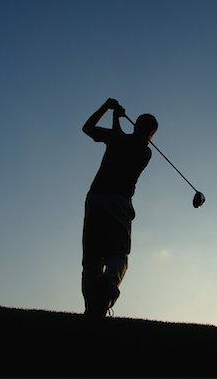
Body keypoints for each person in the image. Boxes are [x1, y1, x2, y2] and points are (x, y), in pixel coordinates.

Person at [81, 98, 158, 317]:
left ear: (136, 126)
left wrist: (109, 109)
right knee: (118, 253)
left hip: (96, 198)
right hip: (119, 202)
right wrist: (116, 118)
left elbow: (88, 128)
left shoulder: (134, 146)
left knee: (92, 257)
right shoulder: (145, 152)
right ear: (151, 134)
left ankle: (91, 308)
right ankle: (108, 286)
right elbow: (121, 138)